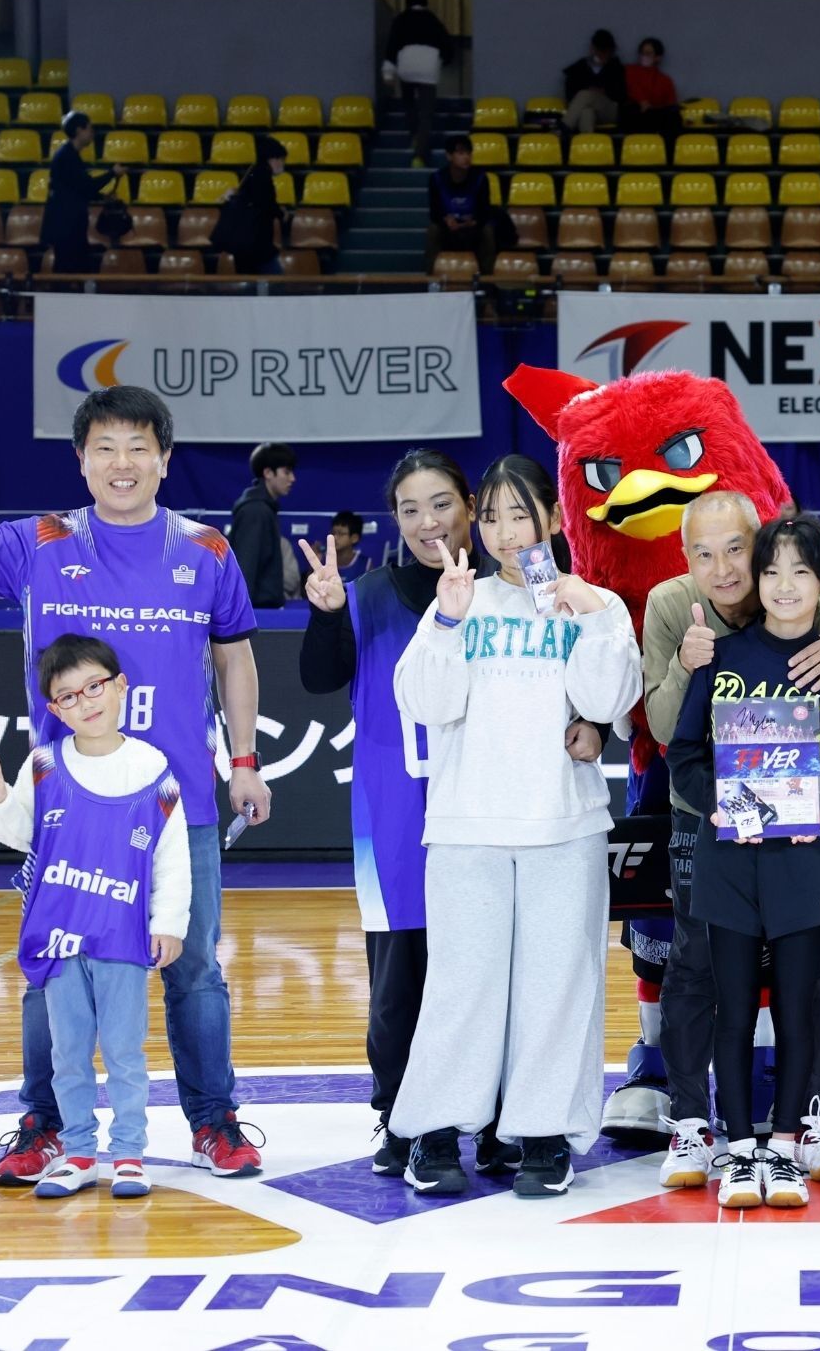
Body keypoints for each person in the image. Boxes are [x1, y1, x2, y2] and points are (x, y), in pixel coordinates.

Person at [0, 376, 273, 1184]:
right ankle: (44, 1122)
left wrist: (245, 760)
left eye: (138, 447)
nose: (122, 463)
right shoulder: (42, 541)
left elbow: (235, 656)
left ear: (165, 458)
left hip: (178, 803)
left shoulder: (207, 549)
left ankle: (214, 1122)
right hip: (68, 810)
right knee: (54, 968)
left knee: (193, 968)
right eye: (105, 448)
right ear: (81, 460)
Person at [389, 455, 643, 1199]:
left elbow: (609, 699)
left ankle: (543, 1135)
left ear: (554, 520)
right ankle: (436, 1131)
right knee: (460, 985)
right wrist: (447, 619)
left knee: (558, 988)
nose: (505, 532)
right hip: (467, 826)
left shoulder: (592, 603)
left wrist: (587, 614)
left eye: (521, 515)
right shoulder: (460, 599)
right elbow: (426, 703)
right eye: (493, 516)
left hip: (564, 824)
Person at [298, 451, 527, 1180]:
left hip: (491, 810)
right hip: (399, 817)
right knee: (402, 978)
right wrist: (325, 613)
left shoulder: (512, 592)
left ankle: (498, 1118)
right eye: (409, 510)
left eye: (442, 504)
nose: (429, 522)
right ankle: (401, 1115)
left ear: (472, 506)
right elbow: (318, 677)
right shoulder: (368, 594)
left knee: (493, 972)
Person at [641, 489, 820, 1189]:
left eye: (737, 549)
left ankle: (809, 1122)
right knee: (699, 972)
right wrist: (687, 665)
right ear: (687, 560)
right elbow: (668, 733)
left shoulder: (817, 611)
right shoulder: (675, 610)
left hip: (801, 847)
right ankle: (697, 1124)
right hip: (710, 830)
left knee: (813, 981)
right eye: (703, 554)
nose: (724, 568)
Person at [0, 633, 189, 1200]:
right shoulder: (44, 765)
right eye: (69, 696)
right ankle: (78, 1153)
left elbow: (172, 854)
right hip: (59, 937)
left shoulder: (152, 766)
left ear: (120, 687)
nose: (86, 702)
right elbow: (24, 834)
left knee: (124, 1053)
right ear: (55, 709)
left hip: (121, 937)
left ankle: (130, 1154)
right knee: (67, 1054)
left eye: (95, 687)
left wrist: (169, 921)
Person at [42, 113, 126, 275]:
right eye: (89, 129)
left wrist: (103, 197)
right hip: (66, 225)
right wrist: (112, 173)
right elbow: (87, 186)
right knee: (67, 269)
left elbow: (78, 188)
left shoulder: (69, 155)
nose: (92, 133)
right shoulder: (67, 157)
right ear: (79, 130)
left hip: (69, 223)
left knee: (74, 267)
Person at [384, 0, 454, 167]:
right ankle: (419, 156)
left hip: (406, 66)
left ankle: (415, 136)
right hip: (428, 69)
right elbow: (447, 45)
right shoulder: (433, 20)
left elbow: (392, 46)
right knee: (426, 114)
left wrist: (388, 73)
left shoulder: (401, 19)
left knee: (409, 105)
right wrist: (443, 61)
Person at [231, 443, 297, 609]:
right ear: (268, 473)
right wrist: (240, 615)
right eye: (286, 472)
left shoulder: (263, 508)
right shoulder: (256, 511)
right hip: (257, 613)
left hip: (263, 610)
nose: (292, 479)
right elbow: (246, 565)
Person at [214, 135, 286, 276]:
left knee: (248, 280)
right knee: (276, 281)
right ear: (272, 159)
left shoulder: (252, 174)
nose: (283, 164)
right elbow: (267, 205)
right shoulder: (263, 178)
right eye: (281, 159)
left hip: (243, 243)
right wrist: (281, 213)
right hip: (256, 243)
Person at [428, 136, 501, 272]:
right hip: (449, 229)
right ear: (449, 156)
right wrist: (446, 220)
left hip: (472, 228)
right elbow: (434, 212)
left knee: (488, 231)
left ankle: (487, 278)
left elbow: (485, 211)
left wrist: (474, 222)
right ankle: (432, 277)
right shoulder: (436, 178)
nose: (466, 157)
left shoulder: (480, 178)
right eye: (461, 153)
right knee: (433, 230)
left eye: (468, 153)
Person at [562, 29, 626, 134]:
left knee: (585, 95)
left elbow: (622, 94)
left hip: (610, 109)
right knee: (586, 112)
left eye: (605, 52)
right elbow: (570, 94)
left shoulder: (616, 67)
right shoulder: (580, 68)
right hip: (587, 109)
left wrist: (604, 91)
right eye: (599, 50)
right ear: (592, 48)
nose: (601, 55)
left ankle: (564, 128)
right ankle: (587, 142)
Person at [624, 37, 681, 134]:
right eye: (642, 53)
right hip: (636, 115)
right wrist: (641, 101)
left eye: (648, 53)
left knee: (673, 116)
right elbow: (628, 88)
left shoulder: (665, 80)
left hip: (655, 116)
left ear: (658, 57)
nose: (644, 56)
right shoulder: (629, 71)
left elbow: (670, 105)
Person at [329, 510, 370, 576]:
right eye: (333, 533)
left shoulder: (366, 564)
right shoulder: (323, 560)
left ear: (354, 538)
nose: (335, 537)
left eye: (341, 533)